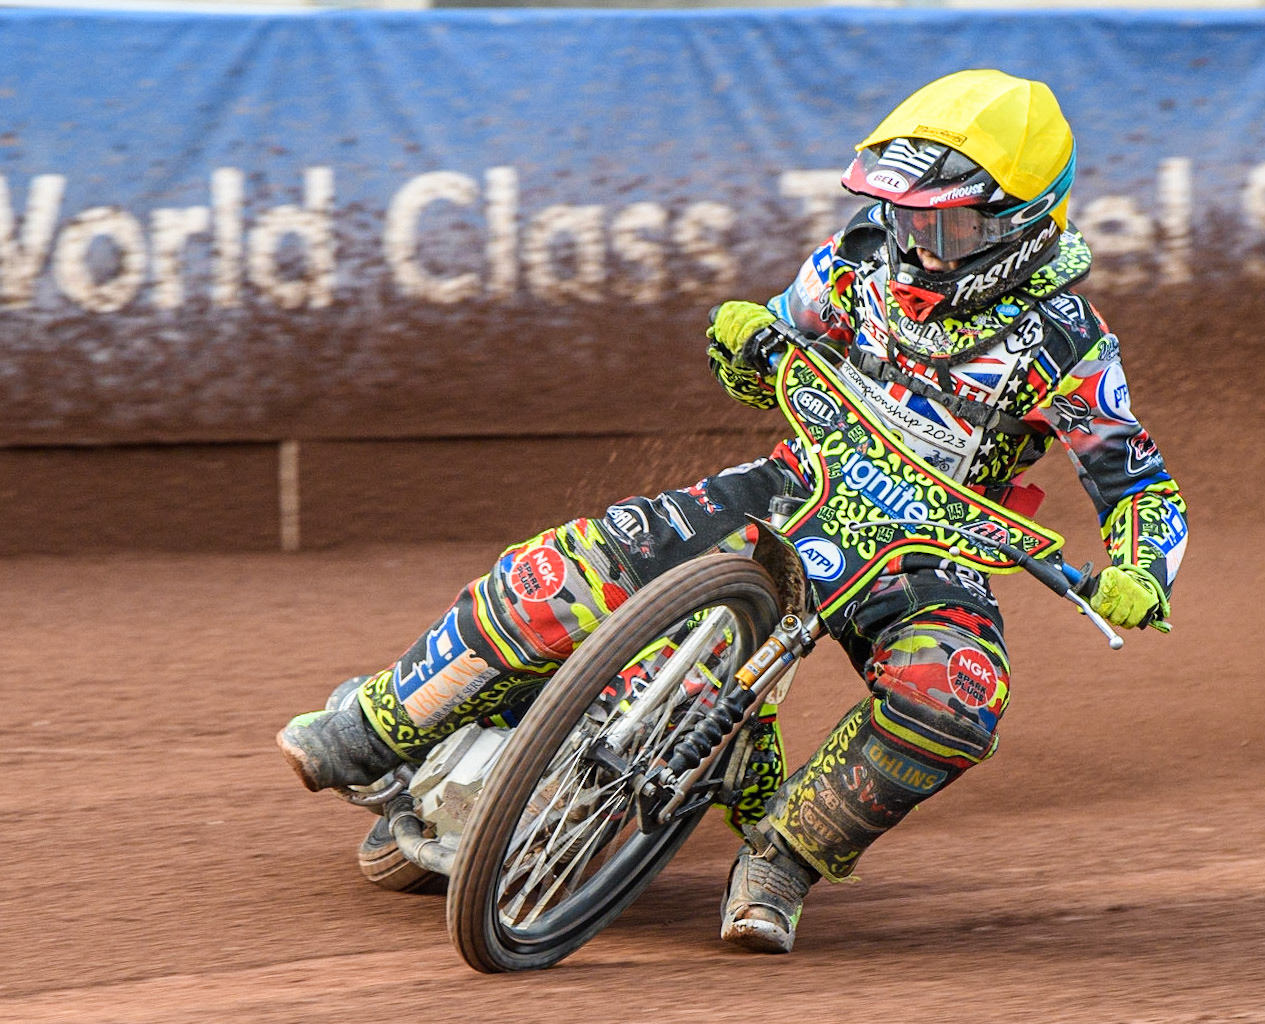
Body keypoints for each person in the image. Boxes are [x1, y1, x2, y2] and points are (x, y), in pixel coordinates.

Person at [277, 69, 1188, 955]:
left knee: (953, 700)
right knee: (558, 577)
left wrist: (1140, 570)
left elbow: (1137, 481)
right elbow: (770, 340)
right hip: (794, 485)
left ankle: (784, 857)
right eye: (903, 216)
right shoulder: (857, 261)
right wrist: (745, 336)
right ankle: (377, 727)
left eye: (940, 228)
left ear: (1018, 227)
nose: (913, 244)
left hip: (929, 547)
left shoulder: (1067, 344)